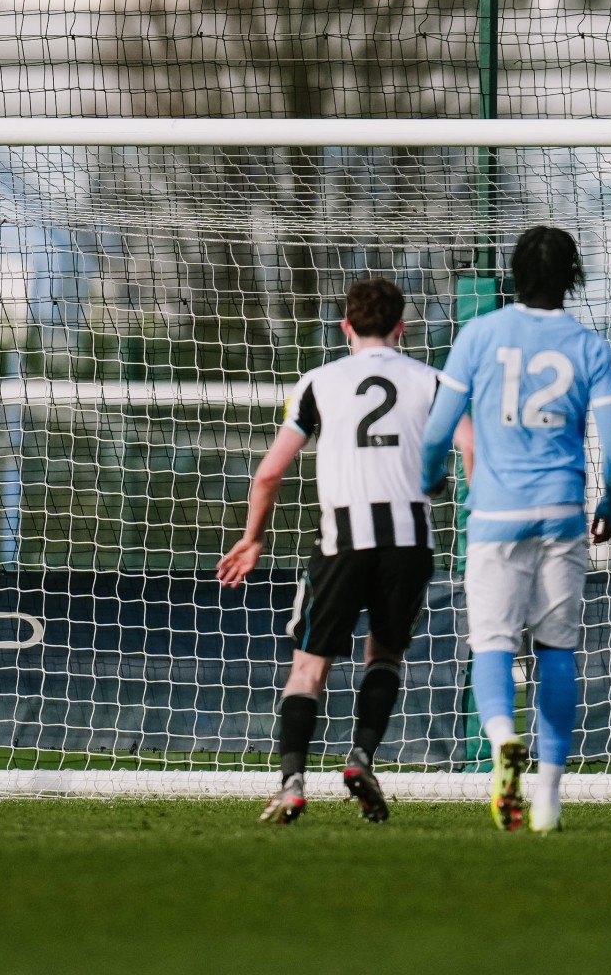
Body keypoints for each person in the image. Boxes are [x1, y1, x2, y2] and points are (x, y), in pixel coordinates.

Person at [421, 226, 611, 833]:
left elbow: (436, 432)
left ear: (514, 273)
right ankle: (548, 799)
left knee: (492, 644)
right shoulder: (589, 346)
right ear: (573, 276)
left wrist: (431, 477)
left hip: (495, 515)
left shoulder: (479, 334)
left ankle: (501, 742)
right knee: (557, 651)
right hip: (562, 512)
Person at [218, 277, 446, 826]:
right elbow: (453, 456)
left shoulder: (319, 381)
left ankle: (292, 783)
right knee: (385, 655)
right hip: (409, 540)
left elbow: (268, 472)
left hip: (342, 539)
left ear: (346, 326)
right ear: (401, 328)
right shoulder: (434, 381)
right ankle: (361, 757)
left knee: (308, 665)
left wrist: (253, 537)